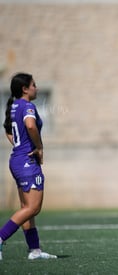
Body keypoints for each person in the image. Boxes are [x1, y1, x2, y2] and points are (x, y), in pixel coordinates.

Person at [0, 73, 57, 260]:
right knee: (33, 208)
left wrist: (19, 145)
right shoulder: (27, 106)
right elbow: (31, 126)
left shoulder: (14, 106)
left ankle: (35, 251)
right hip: (27, 162)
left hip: (16, 160)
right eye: (34, 84)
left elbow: (8, 130)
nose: (37, 88)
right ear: (25, 89)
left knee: (26, 207)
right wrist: (39, 147)